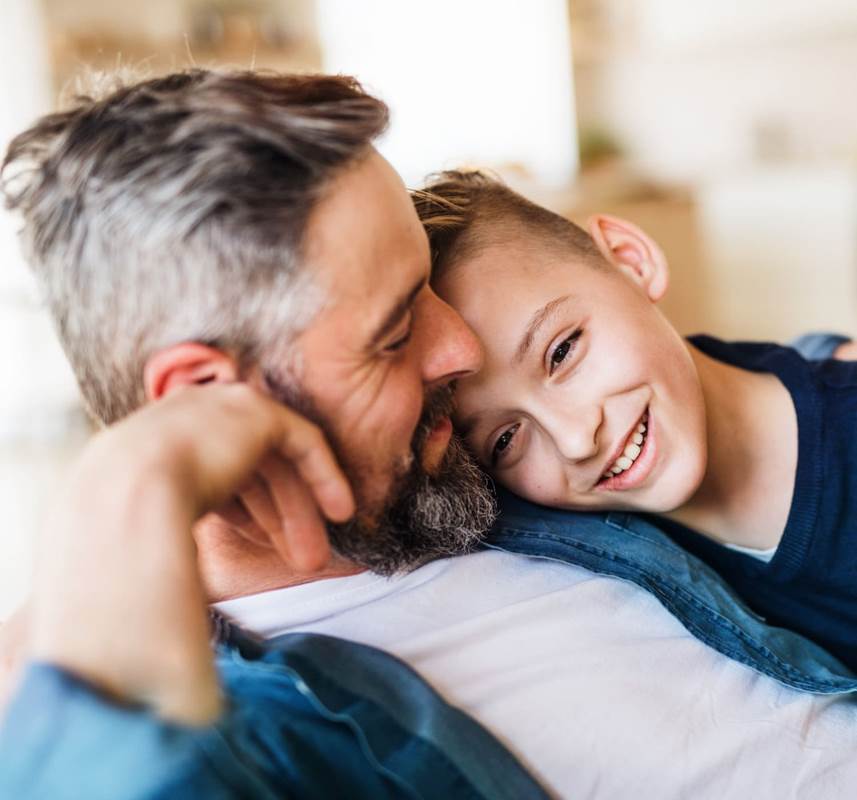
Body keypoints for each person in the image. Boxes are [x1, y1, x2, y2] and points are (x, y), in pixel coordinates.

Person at [2, 69, 857, 799]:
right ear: (200, 393)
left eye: (425, 282)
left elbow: (694, 395)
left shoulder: (455, 484)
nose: (458, 348)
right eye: (393, 332)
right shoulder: (256, 716)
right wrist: (120, 492)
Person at [416, 169, 857, 672]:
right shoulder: (581, 562)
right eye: (506, 440)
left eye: (561, 352)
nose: (576, 438)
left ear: (630, 260)